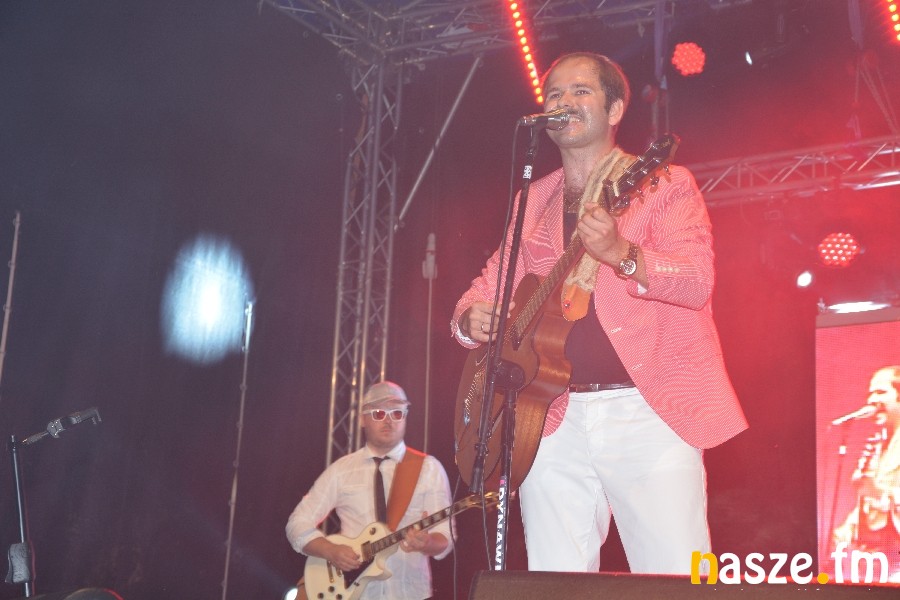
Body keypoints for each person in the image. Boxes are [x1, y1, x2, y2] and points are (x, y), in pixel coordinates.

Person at [451, 52, 748, 575]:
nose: (563, 101)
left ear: (614, 110)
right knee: (554, 579)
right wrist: (468, 319)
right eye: (555, 94)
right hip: (549, 416)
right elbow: (488, 284)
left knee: (675, 577)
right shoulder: (533, 199)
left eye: (580, 91)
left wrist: (622, 254)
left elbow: (696, 281)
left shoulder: (664, 183)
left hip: (649, 409)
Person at [285, 380, 454, 599]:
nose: (388, 421)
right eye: (379, 413)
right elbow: (297, 524)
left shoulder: (428, 468)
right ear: (362, 419)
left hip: (410, 593)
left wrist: (428, 543)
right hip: (354, 593)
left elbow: (445, 537)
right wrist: (331, 551)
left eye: (397, 413)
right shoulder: (341, 470)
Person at [832, 366, 900, 581]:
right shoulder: (877, 443)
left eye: (881, 392)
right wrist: (847, 529)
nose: (872, 400)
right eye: (870, 393)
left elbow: (880, 494)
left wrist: (879, 493)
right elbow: (869, 499)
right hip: (874, 560)